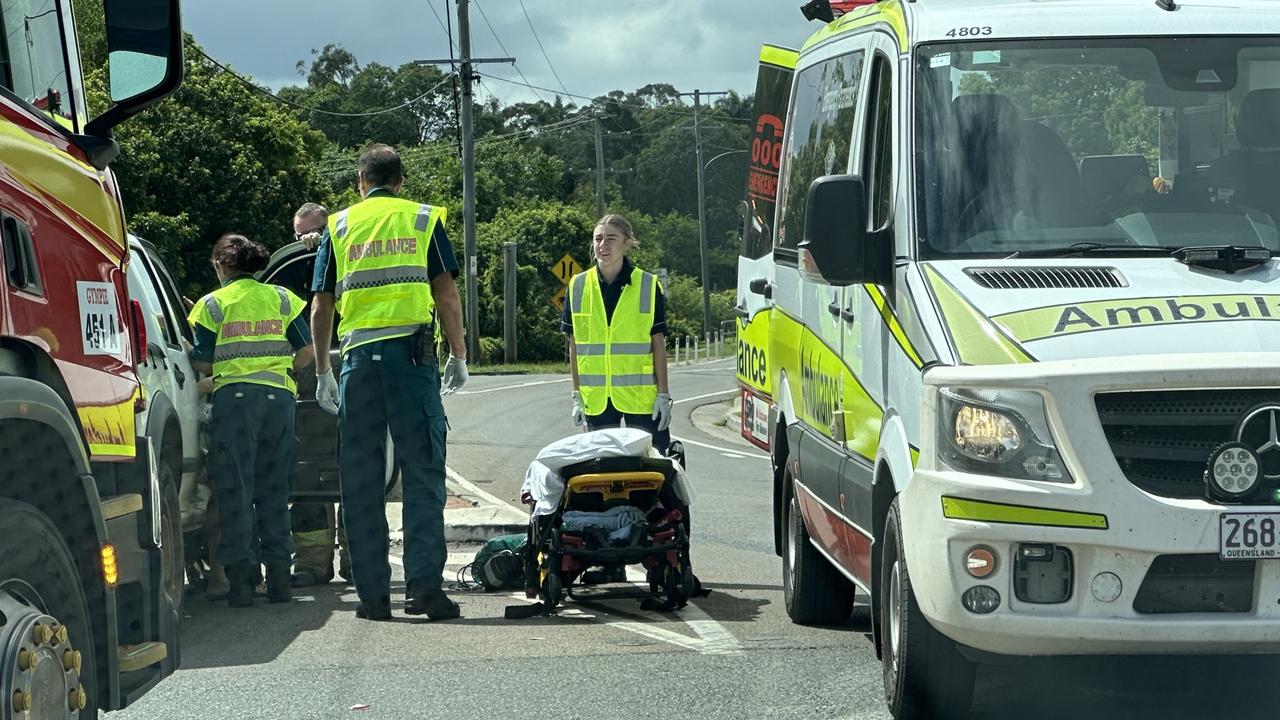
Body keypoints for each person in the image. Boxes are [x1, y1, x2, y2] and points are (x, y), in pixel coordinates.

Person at [310, 143, 468, 622]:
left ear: (360, 181)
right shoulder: (422, 220)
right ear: (400, 182)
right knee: (422, 475)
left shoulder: (338, 226)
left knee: (359, 482)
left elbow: (321, 306)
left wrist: (322, 371)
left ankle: (373, 597)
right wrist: (458, 354)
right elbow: (445, 292)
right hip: (410, 361)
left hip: (358, 365)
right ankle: (424, 590)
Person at [188, 234, 315, 607]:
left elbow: (201, 361)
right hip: (279, 400)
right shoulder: (280, 298)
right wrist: (277, 373)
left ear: (220, 265)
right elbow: (306, 351)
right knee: (274, 492)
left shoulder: (212, 305)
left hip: (235, 402)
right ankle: (279, 582)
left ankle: (241, 585)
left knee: (236, 491)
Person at [563, 214, 673, 453]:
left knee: (651, 463)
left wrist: (663, 394)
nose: (603, 245)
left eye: (611, 238)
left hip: (641, 397)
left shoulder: (647, 284)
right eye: (598, 238)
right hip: (597, 399)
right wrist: (576, 394)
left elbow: (658, 342)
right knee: (602, 467)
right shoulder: (577, 286)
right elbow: (574, 344)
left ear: (627, 243)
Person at [289, 202, 351, 587]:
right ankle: (312, 563)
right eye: (298, 234)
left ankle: (356, 558)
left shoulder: (347, 254)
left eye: (312, 231)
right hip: (306, 376)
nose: (305, 240)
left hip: (349, 367)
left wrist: (327, 245)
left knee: (353, 471)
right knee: (308, 474)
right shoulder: (293, 268)